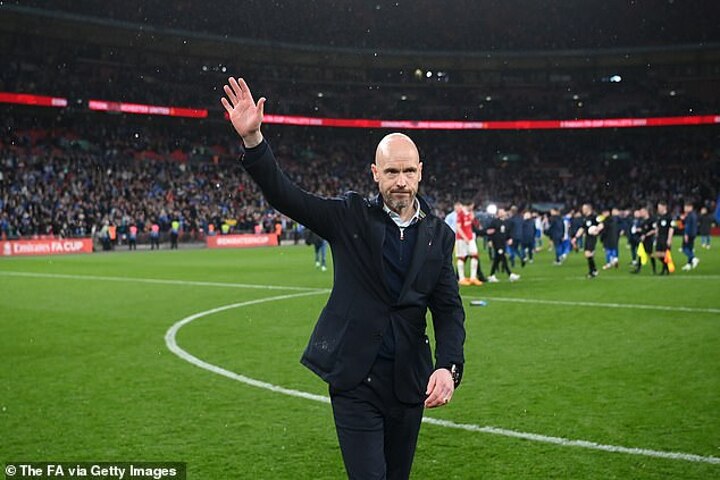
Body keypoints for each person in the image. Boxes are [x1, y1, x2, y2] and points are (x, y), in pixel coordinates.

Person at [221, 77, 465, 479]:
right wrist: (253, 140)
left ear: (420, 172)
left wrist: (448, 366)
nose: (401, 181)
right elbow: (287, 196)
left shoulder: (439, 236)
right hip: (356, 381)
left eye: (408, 171)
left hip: (409, 381)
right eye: (391, 171)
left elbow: (449, 310)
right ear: (375, 173)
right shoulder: (349, 217)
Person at [485, 208, 520, 282]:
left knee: (497, 259)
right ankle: (510, 274)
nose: (501, 213)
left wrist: (510, 239)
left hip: (503, 242)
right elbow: (490, 231)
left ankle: (491, 275)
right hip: (496, 242)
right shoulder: (494, 222)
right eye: (500, 212)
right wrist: (489, 240)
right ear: (498, 214)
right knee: (502, 257)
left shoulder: (507, 222)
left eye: (502, 212)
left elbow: (508, 232)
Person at [572, 203, 603, 278]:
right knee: (587, 254)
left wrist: (597, 230)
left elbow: (601, 224)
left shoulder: (594, 217)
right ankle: (593, 270)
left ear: (588, 209)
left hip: (592, 237)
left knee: (588, 253)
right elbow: (582, 228)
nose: (582, 210)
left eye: (584, 209)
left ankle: (593, 271)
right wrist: (575, 237)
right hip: (587, 237)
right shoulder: (585, 218)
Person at [455, 202, 483, 286]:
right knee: (461, 257)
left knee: (475, 255)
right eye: (472, 205)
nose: (473, 207)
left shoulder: (469, 213)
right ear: (470, 205)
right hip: (461, 239)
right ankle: (461, 278)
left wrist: (473, 218)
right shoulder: (460, 213)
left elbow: (476, 225)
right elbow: (458, 227)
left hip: (470, 238)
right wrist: (464, 237)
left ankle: (473, 277)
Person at [632, 207, 656, 275]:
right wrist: (638, 230)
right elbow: (643, 229)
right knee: (641, 253)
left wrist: (645, 235)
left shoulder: (651, 220)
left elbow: (654, 230)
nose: (641, 213)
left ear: (646, 212)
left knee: (650, 254)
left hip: (649, 240)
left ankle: (654, 269)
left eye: (642, 212)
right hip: (643, 240)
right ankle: (638, 269)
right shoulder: (643, 220)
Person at [653, 201, 674, 275]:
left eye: (659, 207)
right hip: (659, 237)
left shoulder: (669, 216)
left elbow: (671, 228)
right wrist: (656, 235)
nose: (658, 209)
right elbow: (657, 227)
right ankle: (667, 267)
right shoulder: (659, 216)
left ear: (664, 207)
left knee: (665, 254)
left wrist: (669, 239)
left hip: (665, 237)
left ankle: (664, 270)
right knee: (658, 254)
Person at [681, 201, 699, 270]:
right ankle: (688, 264)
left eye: (686, 207)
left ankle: (694, 258)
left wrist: (686, 234)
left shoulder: (689, 215)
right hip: (693, 234)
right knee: (690, 249)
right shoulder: (694, 215)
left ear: (690, 207)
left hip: (688, 234)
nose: (685, 208)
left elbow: (687, 226)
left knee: (684, 249)